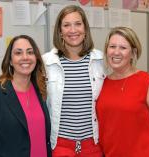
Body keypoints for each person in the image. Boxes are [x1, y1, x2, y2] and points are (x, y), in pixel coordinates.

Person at [96, 26, 149, 157]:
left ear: (133, 53)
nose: (116, 52)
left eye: (123, 48)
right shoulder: (102, 83)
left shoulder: (148, 83)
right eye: (112, 46)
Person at [42, 5, 106, 157]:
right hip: (60, 145)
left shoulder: (101, 61)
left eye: (78, 23)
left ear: (85, 28)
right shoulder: (46, 63)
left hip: (94, 144)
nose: (73, 30)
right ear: (60, 31)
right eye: (66, 25)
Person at [0, 35, 52, 157]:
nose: (25, 57)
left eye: (30, 52)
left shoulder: (40, 89)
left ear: (36, 58)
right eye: (18, 53)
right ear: (10, 60)